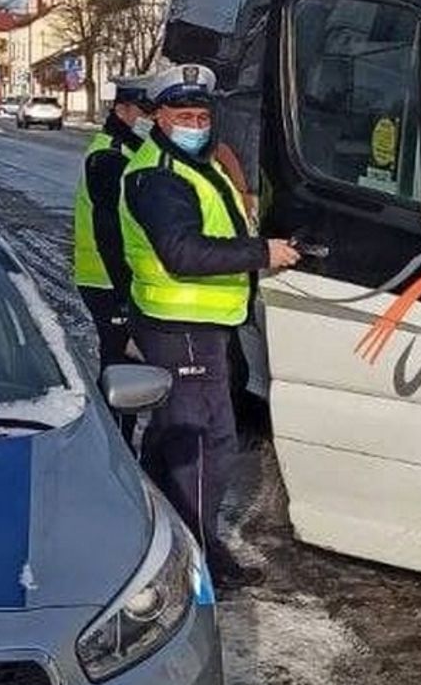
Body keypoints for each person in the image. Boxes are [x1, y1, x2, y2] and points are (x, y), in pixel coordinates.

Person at [118, 64, 301, 586]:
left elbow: (224, 221)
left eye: (202, 114)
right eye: (184, 115)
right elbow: (182, 252)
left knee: (170, 441)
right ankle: (197, 558)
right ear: (159, 118)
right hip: (181, 327)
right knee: (205, 445)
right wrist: (262, 253)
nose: (196, 123)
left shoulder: (196, 164)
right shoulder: (158, 175)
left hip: (198, 325)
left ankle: (160, 539)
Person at [73, 75, 155, 442]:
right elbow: (109, 229)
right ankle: (113, 446)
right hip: (107, 279)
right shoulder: (108, 156)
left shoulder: (130, 148)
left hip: (115, 277)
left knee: (124, 363)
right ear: (122, 109)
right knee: (121, 364)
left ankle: (116, 441)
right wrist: (125, 289)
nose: (148, 117)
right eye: (143, 110)